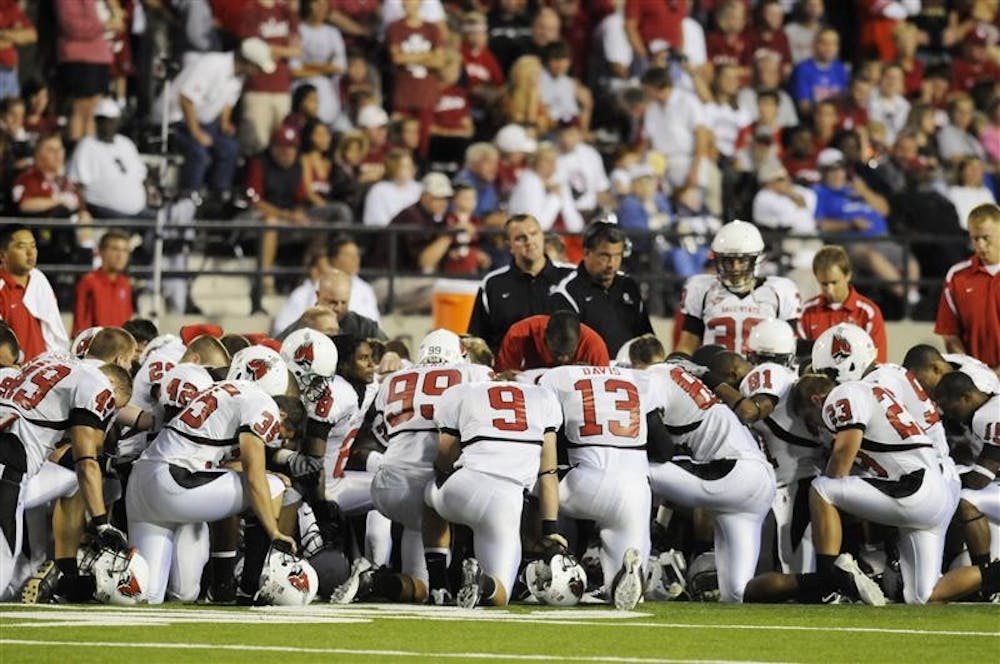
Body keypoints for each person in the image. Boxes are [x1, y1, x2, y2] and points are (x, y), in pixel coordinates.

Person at [126, 346, 295, 604]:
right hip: (176, 483)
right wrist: (275, 532)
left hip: (143, 481)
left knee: (149, 596)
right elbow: (253, 476)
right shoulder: (263, 402)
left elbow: (214, 458)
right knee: (271, 486)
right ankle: (254, 585)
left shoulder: (217, 390)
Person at [348, 330, 493, 605]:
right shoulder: (475, 374)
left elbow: (365, 443)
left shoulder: (393, 380)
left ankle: (375, 579)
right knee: (444, 485)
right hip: (430, 486)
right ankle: (446, 584)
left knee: (418, 588)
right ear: (459, 355)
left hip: (386, 484)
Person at [644, 359, 777, 602]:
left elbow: (664, 454)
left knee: (632, 469)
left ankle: (636, 559)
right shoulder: (686, 385)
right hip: (759, 483)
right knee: (737, 592)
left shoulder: (653, 378)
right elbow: (677, 471)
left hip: (730, 473)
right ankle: (826, 582)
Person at [539, 362, 670, 610]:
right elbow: (664, 448)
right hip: (634, 489)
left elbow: (550, 442)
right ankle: (626, 573)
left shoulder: (558, 377)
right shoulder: (642, 380)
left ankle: (550, 561)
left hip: (583, 483)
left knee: (523, 483)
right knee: (622, 595)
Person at [0, 354, 131, 600]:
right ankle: (60, 566)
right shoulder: (97, 385)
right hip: (7, 467)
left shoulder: (49, 361)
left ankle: (41, 564)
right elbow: (85, 463)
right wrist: (102, 522)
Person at [425, 377, 564, 607]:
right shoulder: (544, 398)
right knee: (500, 595)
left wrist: (443, 475)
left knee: (428, 493)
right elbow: (548, 472)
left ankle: (438, 584)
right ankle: (483, 581)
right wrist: (550, 528)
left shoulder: (462, 392)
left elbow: (445, 454)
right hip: (507, 502)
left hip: (465, 485)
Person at [154, 38, 276, 195]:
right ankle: (189, 196)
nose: (258, 73)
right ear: (248, 62)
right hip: (175, 122)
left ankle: (219, 195)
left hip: (203, 123)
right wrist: (196, 132)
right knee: (199, 154)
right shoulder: (212, 64)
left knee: (230, 148)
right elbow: (186, 99)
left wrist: (225, 123)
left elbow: (228, 103)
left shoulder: (239, 76)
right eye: (257, 68)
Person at [674, 220, 801, 356]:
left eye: (742, 261)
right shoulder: (702, 289)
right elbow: (687, 346)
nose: (735, 267)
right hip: (712, 374)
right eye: (728, 261)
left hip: (760, 373)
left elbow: (790, 347)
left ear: (756, 259)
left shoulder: (779, 291)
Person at [466, 214, 574, 352]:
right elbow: (477, 342)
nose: (529, 241)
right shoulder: (493, 284)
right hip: (509, 371)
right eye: (520, 238)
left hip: (562, 370)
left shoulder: (571, 276)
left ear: (542, 236)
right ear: (509, 245)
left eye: (533, 233)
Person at [552, 221, 652, 356]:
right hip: (590, 372)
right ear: (587, 252)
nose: (611, 264)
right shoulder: (567, 293)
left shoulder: (628, 285)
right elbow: (566, 352)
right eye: (604, 256)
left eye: (617, 255)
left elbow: (646, 336)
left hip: (631, 373)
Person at [934, 203, 1000, 372]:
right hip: (974, 383)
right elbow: (949, 334)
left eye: (986, 238)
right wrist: (972, 372)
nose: (980, 245)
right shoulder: (957, 277)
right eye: (975, 238)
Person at [798, 245, 887, 363]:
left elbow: (877, 361)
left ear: (848, 275)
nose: (830, 289)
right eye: (824, 284)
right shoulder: (806, 312)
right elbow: (800, 360)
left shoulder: (868, 313)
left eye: (834, 282)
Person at [0, 224, 69, 360]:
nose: (30, 253)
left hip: (43, 373)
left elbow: (55, 334)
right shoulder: (1, 288)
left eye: (33, 246)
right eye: (21, 247)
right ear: (2, 255)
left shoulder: (40, 281)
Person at [495, 310, 609, 373]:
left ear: (580, 339)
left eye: (569, 353)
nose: (563, 359)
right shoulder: (519, 334)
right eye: (557, 353)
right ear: (545, 335)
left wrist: (588, 377)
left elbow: (603, 390)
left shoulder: (595, 346)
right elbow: (504, 379)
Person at [72, 231, 133, 336]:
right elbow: (79, 322)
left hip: (122, 348)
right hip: (97, 348)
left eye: (125, 250)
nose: (120, 255)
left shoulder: (125, 284)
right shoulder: (88, 282)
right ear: (101, 251)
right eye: (115, 249)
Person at [790, 28, 848, 117]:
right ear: (814, 45)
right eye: (824, 43)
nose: (829, 48)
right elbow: (804, 107)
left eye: (833, 44)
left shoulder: (841, 69)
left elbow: (846, 102)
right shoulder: (803, 70)